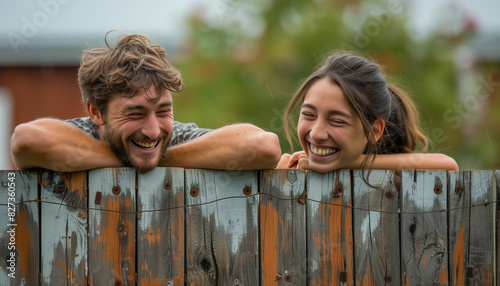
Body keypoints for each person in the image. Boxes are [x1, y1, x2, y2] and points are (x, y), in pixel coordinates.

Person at [11, 32, 281, 173]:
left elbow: (264, 147)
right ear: (96, 112)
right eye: (135, 114)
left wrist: (158, 157)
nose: (153, 131)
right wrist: (128, 161)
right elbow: (27, 142)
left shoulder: (176, 139)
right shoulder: (81, 134)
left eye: (163, 111)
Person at [277, 52, 458, 172]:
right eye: (308, 115)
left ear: (374, 131)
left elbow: (448, 166)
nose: (316, 134)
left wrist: (353, 162)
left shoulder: (394, 181)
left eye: (337, 121)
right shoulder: (292, 169)